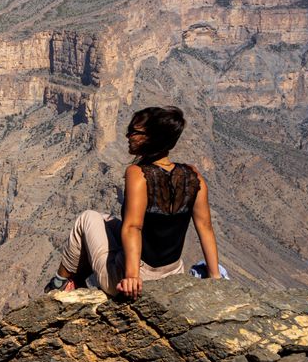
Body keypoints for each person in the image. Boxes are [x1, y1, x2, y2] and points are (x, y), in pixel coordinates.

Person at [45, 106, 222, 299]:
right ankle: (74, 280)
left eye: (135, 132)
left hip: (134, 279)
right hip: (172, 275)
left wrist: (131, 277)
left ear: (152, 138)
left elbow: (133, 227)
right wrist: (215, 278)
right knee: (106, 221)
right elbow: (205, 227)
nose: (128, 135)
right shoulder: (193, 176)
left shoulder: (138, 174)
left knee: (86, 218)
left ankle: (59, 283)